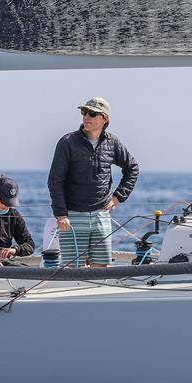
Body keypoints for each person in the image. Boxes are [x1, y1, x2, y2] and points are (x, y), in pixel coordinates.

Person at [47, 96, 139, 267]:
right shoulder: (68, 142)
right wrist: (61, 214)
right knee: (73, 269)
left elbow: (132, 168)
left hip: (101, 215)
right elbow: (55, 180)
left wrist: (118, 197)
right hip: (72, 217)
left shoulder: (112, 142)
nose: (86, 116)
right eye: (84, 112)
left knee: (101, 268)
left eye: (92, 113)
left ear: (105, 119)